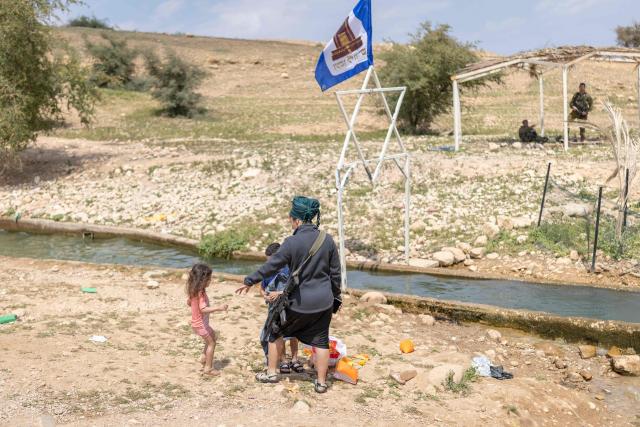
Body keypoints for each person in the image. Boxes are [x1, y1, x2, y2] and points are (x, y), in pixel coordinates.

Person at [236, 196, 341, 394]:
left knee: (274, 330)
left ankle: (272, 372)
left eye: (291, 218)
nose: (290, 222)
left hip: (299, 301)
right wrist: (336, 298)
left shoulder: (292, 242)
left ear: (298, 220)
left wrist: (250, 280)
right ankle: (321, 382)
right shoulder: (327, 240)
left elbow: (272, 265)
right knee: (321, 340)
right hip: (323, 301)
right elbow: (335, 274)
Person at [259, 242, 303, 374]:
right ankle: (283, 360)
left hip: (289, 305)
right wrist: (265, 296)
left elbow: (296, 288)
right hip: (274, 308)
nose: (270, 264)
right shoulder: (268, 270)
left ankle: (294, 358)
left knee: (294, 335)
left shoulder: (289, 269)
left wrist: (278, 293)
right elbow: (261, 288)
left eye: (272, 261)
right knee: (280, 334)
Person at [186, 263, 228, 376]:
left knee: (213, 336)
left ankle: (204, 357)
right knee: (211, 343)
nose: (210, 281)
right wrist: (218, 308)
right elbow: (203, 309)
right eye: (209, 279)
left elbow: (189, 303)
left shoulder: (193, 290)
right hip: (201, 325)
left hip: (198, 324)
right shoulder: (201, 293)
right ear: (202, 279)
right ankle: (208, 368)